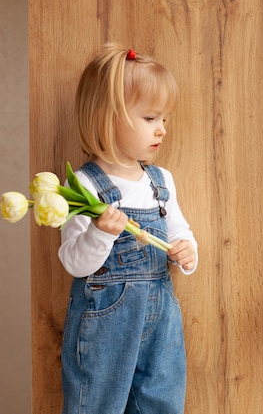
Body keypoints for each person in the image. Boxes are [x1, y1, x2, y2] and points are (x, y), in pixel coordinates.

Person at [58, 42, 198, 414]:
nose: (162, 130)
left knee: (162, 400)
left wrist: (186, 251)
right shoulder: (84, 186)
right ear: (109, 117)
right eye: (150, 118)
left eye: (164, 119)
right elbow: (73, 261)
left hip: (161, 323)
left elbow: (179, 230)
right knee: (97, 403)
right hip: (107, 324)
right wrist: (101, 232)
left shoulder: (161, 180)